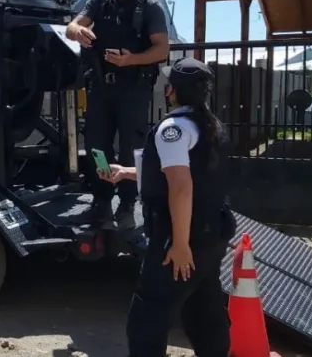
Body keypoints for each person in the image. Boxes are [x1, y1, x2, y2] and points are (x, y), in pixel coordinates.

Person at [97, 57, 237, 357]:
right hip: (214, 229)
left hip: (182, 235)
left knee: (147, 318)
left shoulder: (171, 129)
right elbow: (186, 173)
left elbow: (181, 188)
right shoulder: (212, 126)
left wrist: (181, 245)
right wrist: (126, 172)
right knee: (205, 309)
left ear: (172, 90)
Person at [65, 0, 171, 230]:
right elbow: (71, 26)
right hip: (101, 87)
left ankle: (126, 204)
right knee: (97, 145)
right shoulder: (100, 0)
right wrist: (78, 32)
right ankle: (101, 202)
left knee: (130, 148)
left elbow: (161, 49)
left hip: (133, 89)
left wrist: (131, 60)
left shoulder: (149, 7)